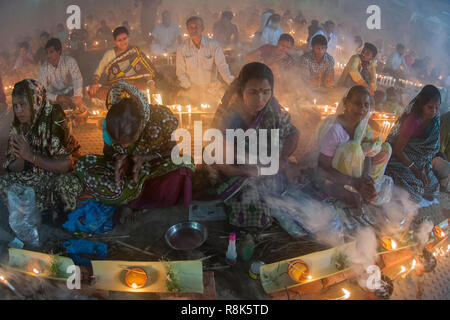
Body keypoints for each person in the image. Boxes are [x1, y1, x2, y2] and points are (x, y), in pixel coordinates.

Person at [193, 62, 300, 228]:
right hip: (233, 167)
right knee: (250, 202)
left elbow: (293, 133)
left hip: (262, 166)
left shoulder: (273, 109)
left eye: (266, 92)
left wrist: (283, 157)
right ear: (242, 91)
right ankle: (247, 233)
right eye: (252, 92)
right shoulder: (230, 117)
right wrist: (249, 171)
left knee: (274, 192)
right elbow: (223, 163)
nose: (260, 99)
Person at [76, 81, 194, 224]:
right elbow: (107, 150)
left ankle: (134, 203)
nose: (125, 146)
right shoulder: (110, 122)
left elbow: (174, 150)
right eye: (119, 143)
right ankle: (130, 201)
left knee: (185, 162)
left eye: (129, 140)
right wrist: (119, 159)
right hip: (127, 173)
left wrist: (145, 158)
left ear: (140, 126)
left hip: (152, 167)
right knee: (83, 165)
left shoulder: (161, 119)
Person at [0, 79, 83, 221]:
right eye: (16, 106)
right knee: (4, 182)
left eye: (23, 104)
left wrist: (31, 156)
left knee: (63, 186)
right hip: (36, 173)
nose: (19, 110)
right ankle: (38, 209)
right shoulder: (17, 122)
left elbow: (66, 165)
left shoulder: (54, 118)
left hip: (60, 173)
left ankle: (52, 213)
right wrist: (20, 156)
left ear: (37, 101)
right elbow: (14, 168)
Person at [316, 85, 393, 209]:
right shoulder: (335, 130)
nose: (362, 108)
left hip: (355, 175)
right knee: (353, 148)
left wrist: (366, 180)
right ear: (346, 104)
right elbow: (323, 168)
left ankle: (363, 189)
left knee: (385, 149)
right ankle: (350, 191)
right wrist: (354, 183)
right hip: (334, 177)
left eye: (366, 105)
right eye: (357, 103)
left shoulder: (364, 128)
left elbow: (367, 156)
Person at [386, 85, 442, 203]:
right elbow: (398, 150)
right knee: (414, 193)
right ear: (422, 105)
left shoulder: (435, 122)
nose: (434, 112)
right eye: (430, 107)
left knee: (434, 189)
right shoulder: (412, 121)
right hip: (402, 161)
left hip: (421, 163)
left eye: (437, 108)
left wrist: (422, 169)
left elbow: (429, 151)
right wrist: (415, 170)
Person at [89, 26, 158, 100]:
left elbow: (145, 69)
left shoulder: (135, 52)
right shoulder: (109, 54)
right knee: (98, 93)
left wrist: (150, 81)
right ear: (114, 41)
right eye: (119, 40)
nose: (122, 42)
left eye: (124, 39)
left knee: (149, 89)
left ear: (128, 38)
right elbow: (99, 69)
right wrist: (95, 83)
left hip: (135, 84)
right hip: (116, 85)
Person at [176, 17, 234, 96]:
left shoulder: (213, 44)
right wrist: (189, 87)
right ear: (187, 29)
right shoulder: (182, 48)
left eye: (196, 27)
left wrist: (232, 82)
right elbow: (180, 72)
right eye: (191, 27)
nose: (194, 30)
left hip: (211, 88)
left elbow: (222, 65)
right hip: (191, 89)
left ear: (202, 28)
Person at [38, 38, 84, 113]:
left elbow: (77, 79)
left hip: (71, 93)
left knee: (80, 111)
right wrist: (58, 98)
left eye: (51, 52)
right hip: (55, 97)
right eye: (47, 53)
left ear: (59, 51)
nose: (48, 55)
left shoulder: (70, 61)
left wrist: (77, 95)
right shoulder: (43, 69)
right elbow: (43, 92)